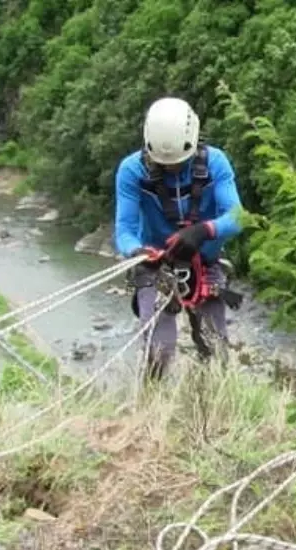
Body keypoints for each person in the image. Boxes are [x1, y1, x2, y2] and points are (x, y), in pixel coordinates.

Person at [112, 96, 244, 378]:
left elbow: (237, 217)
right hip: (157, 264)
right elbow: (124, 230)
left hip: (205, 261)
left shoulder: (216, 164)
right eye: (164, 163)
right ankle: (152, 408)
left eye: (178, 163)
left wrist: (204, 230)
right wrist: (137, 252)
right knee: (159, 350)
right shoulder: (132, 171)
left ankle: (213, 408)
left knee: (214, 345)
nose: (171, 168)